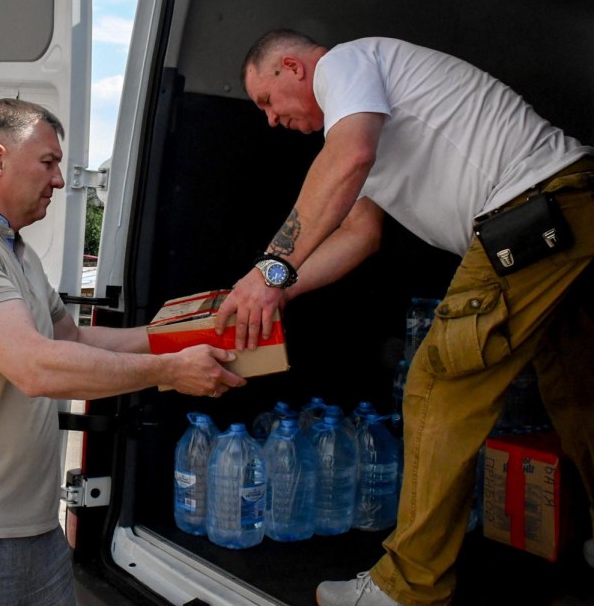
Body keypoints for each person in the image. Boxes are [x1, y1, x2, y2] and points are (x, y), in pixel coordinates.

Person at [215, 30, 594, 606]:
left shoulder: (345, 63)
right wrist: (280, 293)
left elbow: (349, 156)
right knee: (577, 386)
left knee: (439, 384)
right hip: (568, 208)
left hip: (533, 212)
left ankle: (407, 589)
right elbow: (358, 236)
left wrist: (269, 271)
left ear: (292, 67)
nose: (269, 120)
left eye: (266, 101)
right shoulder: (361, 120)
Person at [0, 98, 245, 606]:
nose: (60, 181)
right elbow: (36, 366)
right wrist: (172, 370)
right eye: (48, 163)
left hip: (34, 530)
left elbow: (72, 340)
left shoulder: (17, 254)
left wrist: (188, 333)